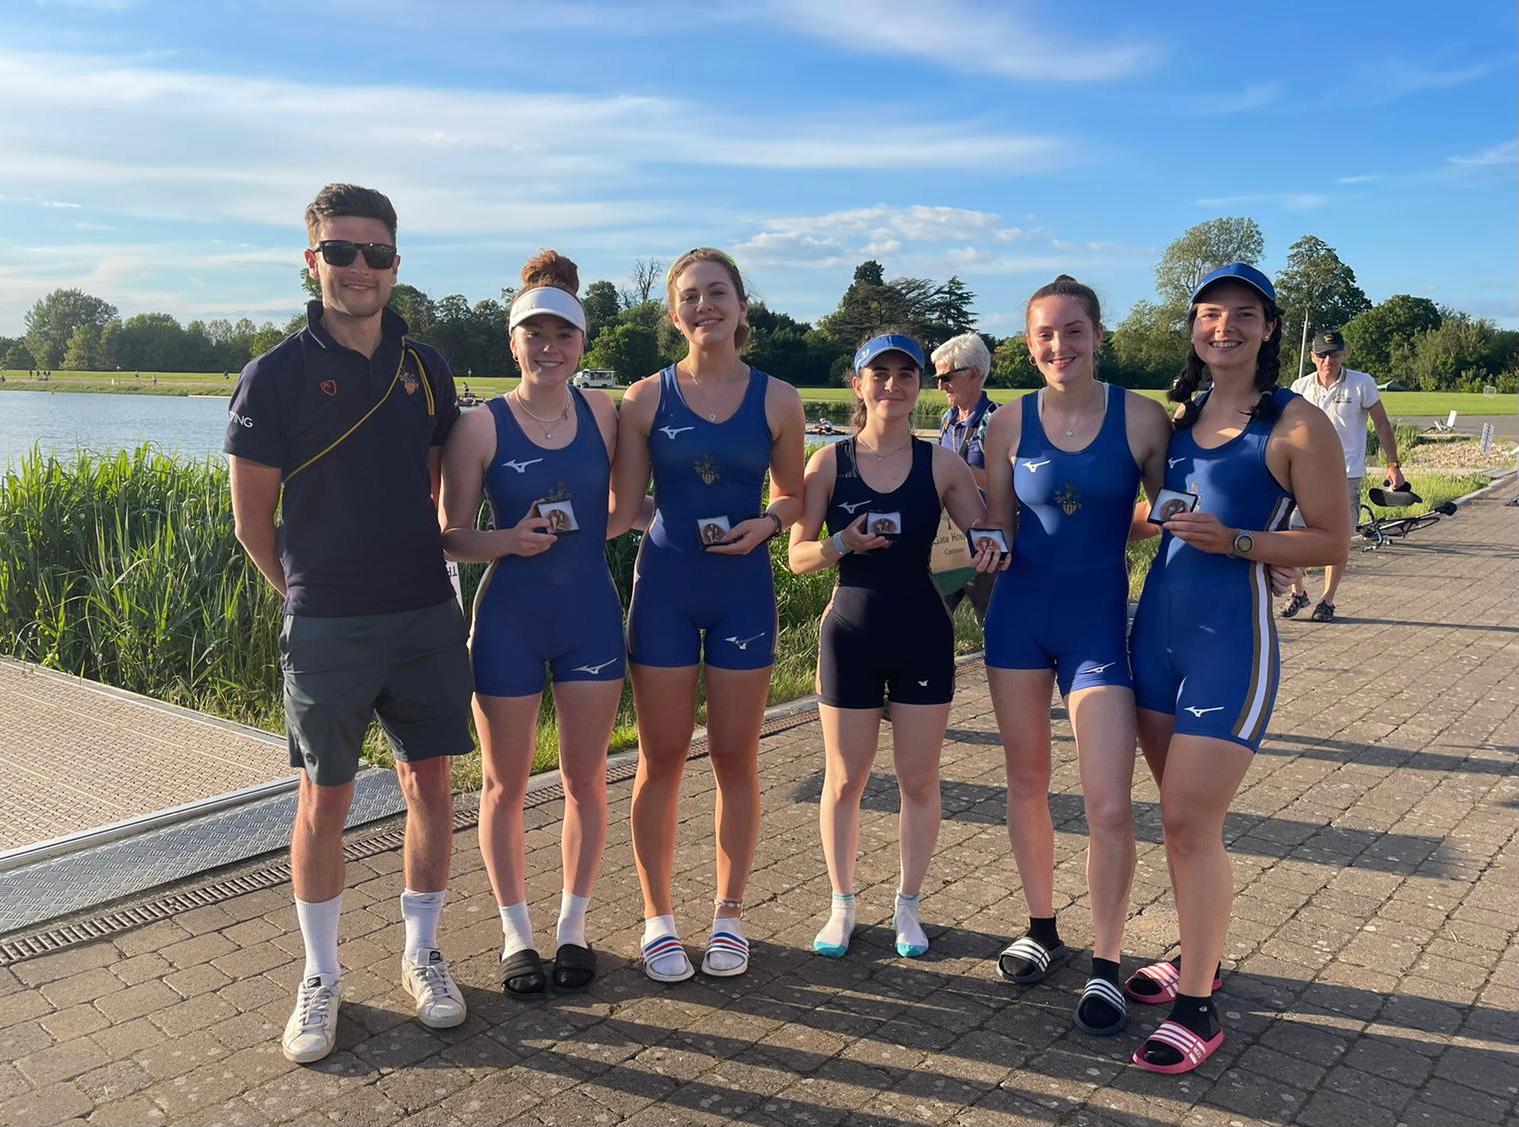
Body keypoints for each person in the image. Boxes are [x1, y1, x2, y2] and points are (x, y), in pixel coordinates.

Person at [225, 184, 471, 1065]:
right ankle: (321, 977)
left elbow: (437, 484)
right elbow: (254, 520)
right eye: (340, 252)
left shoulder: (427, 367)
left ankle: (421, 954)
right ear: (312, 260)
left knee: (430, 790)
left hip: (422, 613)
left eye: (374, 254)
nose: (358, 268)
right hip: (327, 619)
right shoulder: (275, 373)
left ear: (396, 265)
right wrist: (300, 590)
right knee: (324, 799)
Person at [1125, 263, 1348, 1074]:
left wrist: (1247, 544)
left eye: (1242, 315)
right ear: (1192, 326)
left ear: (1267, 327)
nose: (1224, 326)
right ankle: (1198, 955)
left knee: (1189, 823)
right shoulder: (1175, 421)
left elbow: (1330, 540)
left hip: (1232, 648)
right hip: (1152, 636)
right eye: (1209, 313)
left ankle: (1198, 1005)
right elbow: (1151, 521)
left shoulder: (1295, 425)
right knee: (1177, 821)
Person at [979, 276, 1171, 1036]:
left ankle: (1105, 961)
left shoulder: (1142, 419)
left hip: (1096, 630)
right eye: (1043, 335)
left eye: (1071, 331)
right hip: (1017, 624)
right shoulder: (1005, 424)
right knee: (1026, 778)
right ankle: (1043, 927)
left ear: (1097, 334)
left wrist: (1258, 558)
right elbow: (998, 523)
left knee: (1108, 802)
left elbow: (1173, 514)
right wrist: (985, 548)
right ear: (1028, 344)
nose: (1058, 346)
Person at [611, 248, 806, 981]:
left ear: (741, 305)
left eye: (717, 293)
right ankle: (657, 916)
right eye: (689, 297)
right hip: (665, 584)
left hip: (743, 591)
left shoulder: (779, 398)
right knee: (659, 758)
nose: (704, 307)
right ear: (674, 314)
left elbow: (792, 498)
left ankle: (729, 912)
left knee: (734, 757)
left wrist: (767, 523)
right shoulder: (644, 399)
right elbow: (626, 508)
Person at [439, 250, 622, 998]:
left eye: (562, 336)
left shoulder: (608, 413)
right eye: (532, 335)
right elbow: (449, 535)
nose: (547, 349)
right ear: (512, 343)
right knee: (503, 785)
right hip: (510, 618)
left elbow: (633, 502)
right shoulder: (478, 426)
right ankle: (517, 934)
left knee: (585, 780)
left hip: (589, 617)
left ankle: (573, 926)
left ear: (582, 345)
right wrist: (508, 540)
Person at [789, 330, 1004, 960]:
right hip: (851, 633)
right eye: (878, 373)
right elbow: (800, 557)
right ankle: (842, 906)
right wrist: (841, 544)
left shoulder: (942, 463)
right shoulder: (829, 462)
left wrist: (991, 545)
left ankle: (908, 907)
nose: (892, 384)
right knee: (844, 781)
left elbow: (985, 530)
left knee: (919, 781)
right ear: (857, 383)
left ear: (918, 386)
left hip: (922, 633)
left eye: (905, 373)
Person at [1280, 330, 1407, 622]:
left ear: (1344, 354)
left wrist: (1392, 463)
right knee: (1292, 534)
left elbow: (1382, 424)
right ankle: (1298, 592)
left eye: (1334, 354)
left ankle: (1327, 600)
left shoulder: (1362, 384)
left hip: (1346, 474)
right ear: (1312, 357)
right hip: (1304, 473)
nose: (1328, 360)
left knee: (1339, 540)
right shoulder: (1300, 387)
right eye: (1322, 355)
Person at [933, 332, 1000, 622]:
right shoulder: (948, 419)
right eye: (937, 378)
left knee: (997, 628)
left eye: (946, 377)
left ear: (974, 373)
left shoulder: (997, 422)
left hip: (986, 544)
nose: (940, 385)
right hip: (946, 542)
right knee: (930, 623)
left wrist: (961, 472)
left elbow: (1013, 487)